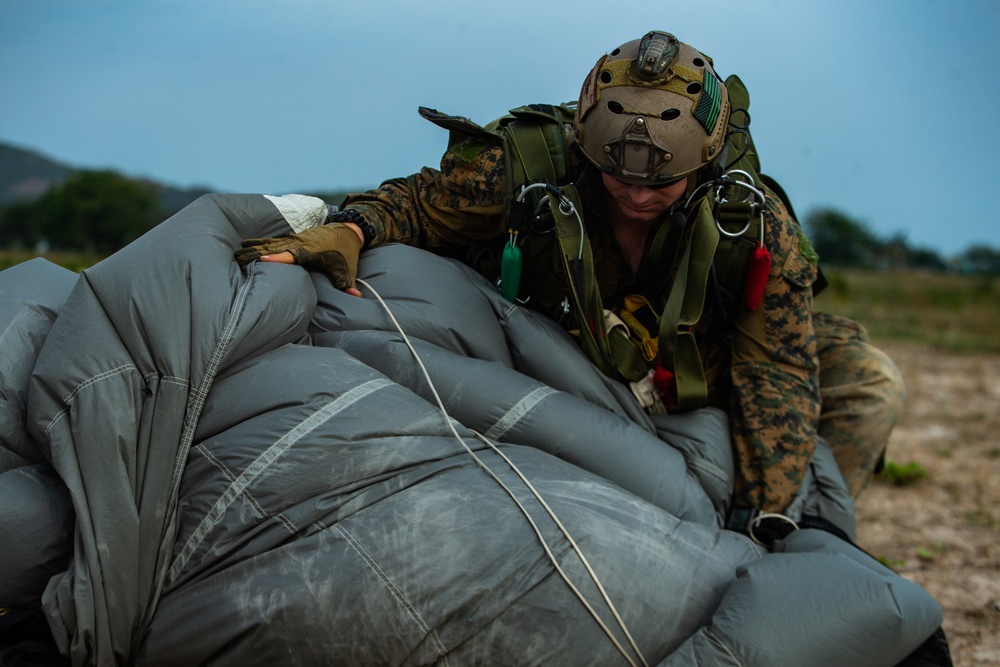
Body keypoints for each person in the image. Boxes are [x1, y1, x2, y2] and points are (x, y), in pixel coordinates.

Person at [236, 30, 905, 535]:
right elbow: (418, 203)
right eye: (621, 179)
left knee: (867, 384)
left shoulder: (755, 227)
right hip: (572, 358)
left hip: (712, 363)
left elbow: (777, 375)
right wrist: (350, 231)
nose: (639, 197)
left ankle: (810, 537)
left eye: (661, 183)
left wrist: (760, 520)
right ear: (590, 145)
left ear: (701, 163)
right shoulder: (531, 166)